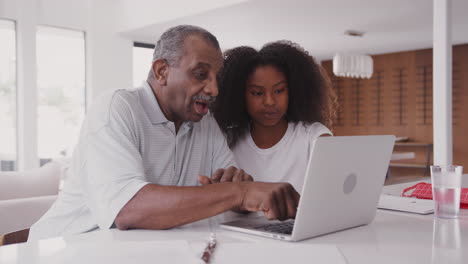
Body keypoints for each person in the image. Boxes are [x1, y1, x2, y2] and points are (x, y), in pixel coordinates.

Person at [29, 26, 299, 240]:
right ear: (161, 71)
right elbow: (128, 210)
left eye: (217, 77)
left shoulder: (204, 123)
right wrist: (238, 192)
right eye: (201, 74)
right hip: (64, 250)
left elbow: (232, 192)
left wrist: (237, 191)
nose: (214, 89)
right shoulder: (117, 108)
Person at [213, 41, 337, 193]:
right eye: (257, 93)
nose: (269, 102)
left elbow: (332, 194)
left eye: (279, 91)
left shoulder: (313, 137)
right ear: (240, 95)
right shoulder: (225, 141)